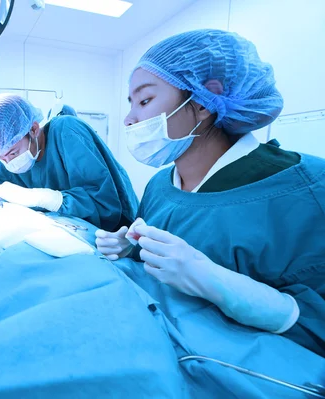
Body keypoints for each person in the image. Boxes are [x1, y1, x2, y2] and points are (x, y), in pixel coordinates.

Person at [95, 29, 325, 357]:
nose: (130, 118)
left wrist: (215, 281)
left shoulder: (307, 188)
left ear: (202, 102)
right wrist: (130, 247)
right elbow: (160, 259)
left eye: (145, 100)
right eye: (131, 104)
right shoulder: (161, 186)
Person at [0, 94, 139, 231]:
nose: (8, 162)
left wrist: (43, 198)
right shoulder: (8, 161)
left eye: (12, 152)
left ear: (33, 130)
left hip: (117, 236)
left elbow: (105, 205)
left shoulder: (66, 132)